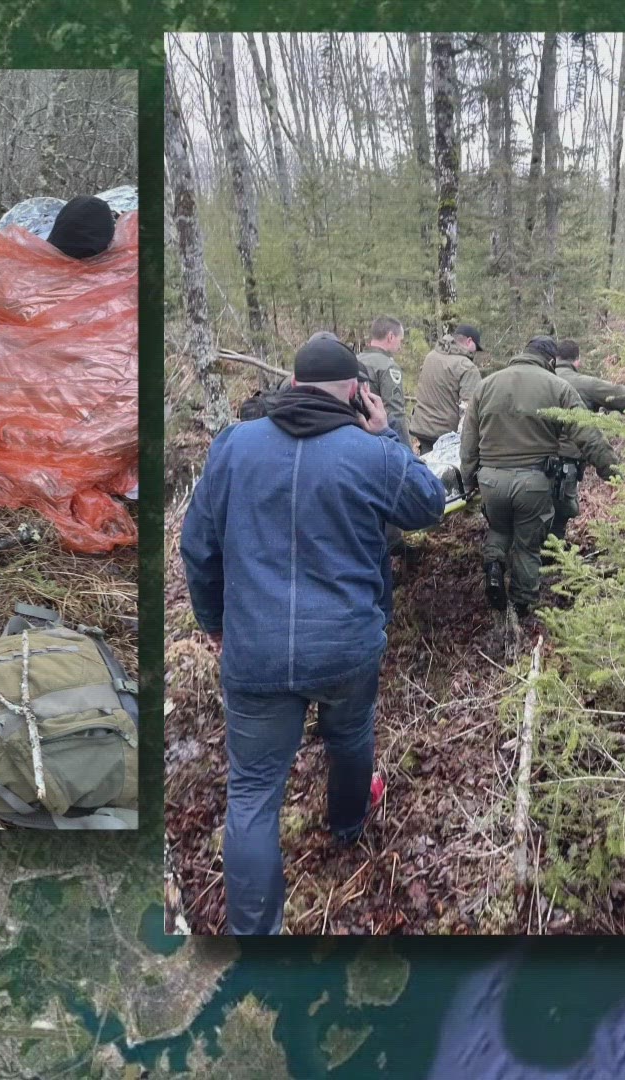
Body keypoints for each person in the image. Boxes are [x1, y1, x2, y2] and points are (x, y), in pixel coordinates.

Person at [181, 332, 446, 935]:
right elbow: (429, 503)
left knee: (251, 795)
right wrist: (389, 436)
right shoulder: (371, 451)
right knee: (350, 736)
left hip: (256, 652)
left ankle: (256, 938)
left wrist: (214, 622)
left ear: (292, 384)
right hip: (346, 645)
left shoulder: (234, 446)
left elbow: (197, 546)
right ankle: (348, 827)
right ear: (357, 392)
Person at [459, 337, 620, 621]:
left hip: (491, 480)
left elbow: (468, 439)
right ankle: (521, 608)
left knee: (499, 526)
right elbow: (588, 435)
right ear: (551, 361)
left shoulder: (486, 385)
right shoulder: (557, 386)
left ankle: (494, 564)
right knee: (527, 543)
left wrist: (469, 478)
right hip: (532, 482)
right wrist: (613, 472)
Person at [548, 339, 625, 543]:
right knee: (557, 520)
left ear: (554, 359)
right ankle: (550, 558)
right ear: (577, 361)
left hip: (528, 463)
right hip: (564, 466)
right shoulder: (583, 384)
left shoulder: (537, 381)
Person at [411, 324, 482, 455]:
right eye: (476, 347)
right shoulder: (467, 367)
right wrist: (466, 442)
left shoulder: (431, 356)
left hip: (421, 429)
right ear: (469, 341)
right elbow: (469, 410)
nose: (475, 352)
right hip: (446, 437)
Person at [355, 316, 411, 449]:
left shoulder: (354, 360)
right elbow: (395, 413)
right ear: (391, 337)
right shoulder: (388, 366)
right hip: (380, 440)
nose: (400, 346)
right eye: (400, 341)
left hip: (355, 434)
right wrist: (406, 450)